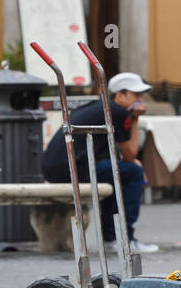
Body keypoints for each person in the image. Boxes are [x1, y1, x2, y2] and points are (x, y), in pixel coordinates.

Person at [40, 71, 158, 255]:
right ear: (120, 95)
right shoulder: (117, 111)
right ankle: (125, 238)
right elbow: (130, 154)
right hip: (72, 168)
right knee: (133, 172)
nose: (141, 101)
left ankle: (113, 238)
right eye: (136, 95)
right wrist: (135, 119)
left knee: (118, 173)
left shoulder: (100, 107)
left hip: (57, 168)